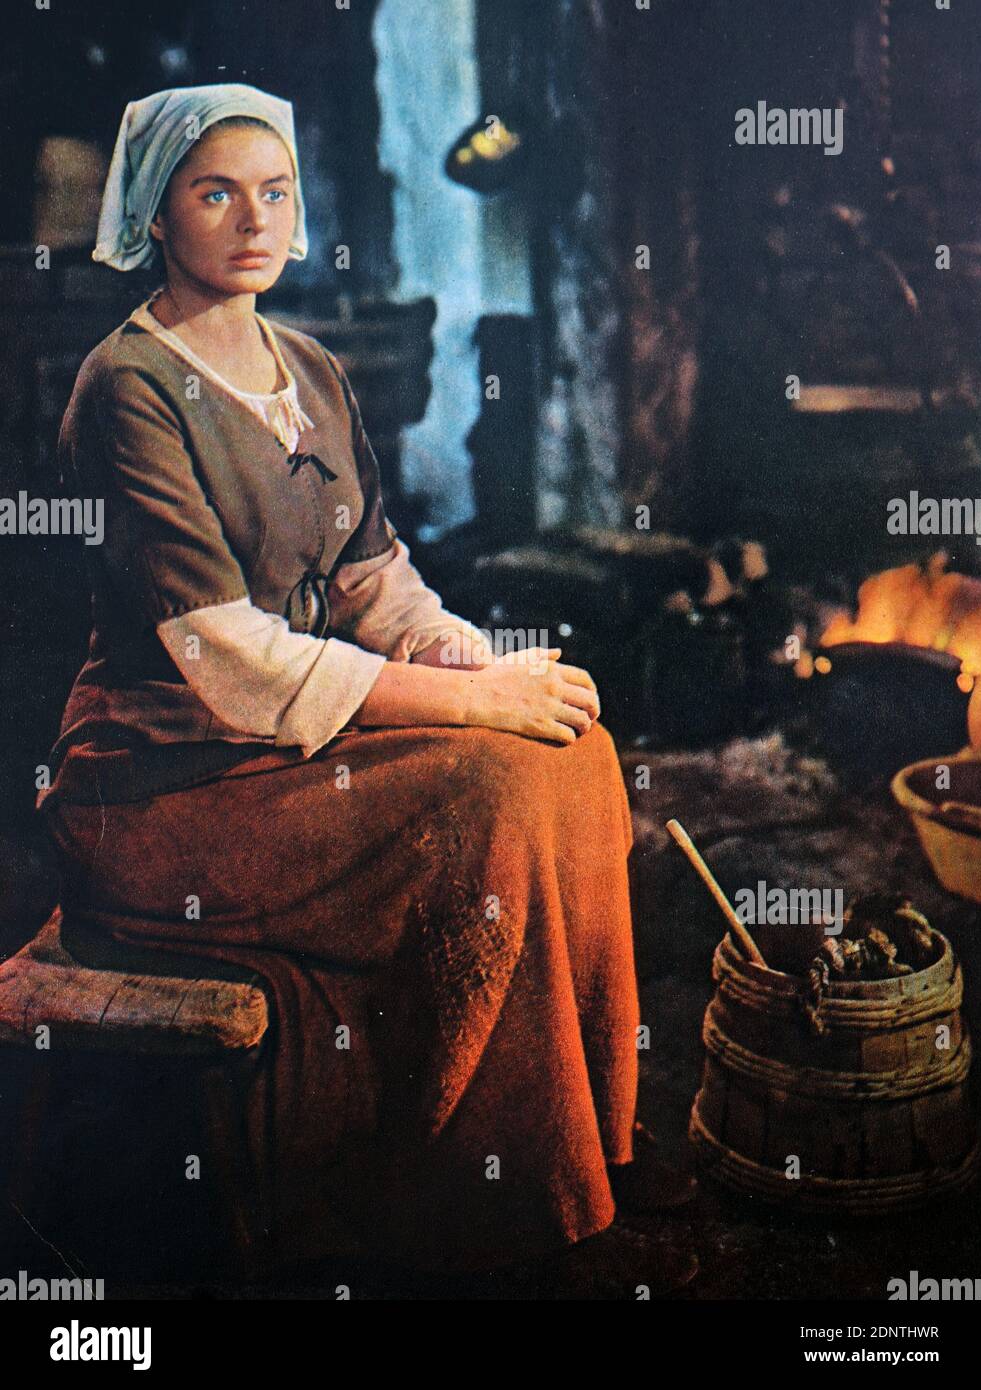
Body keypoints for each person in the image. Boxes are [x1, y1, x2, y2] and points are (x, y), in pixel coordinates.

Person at [36, 82, 698, 1294]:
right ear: (155, 211)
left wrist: (483, 664)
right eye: (215, 192)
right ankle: (460, 1185)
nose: (254, 220)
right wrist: (467, 709)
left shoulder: (309, 367)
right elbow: (229, 654)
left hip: (293, 746)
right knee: (484, 793)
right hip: (167, 780)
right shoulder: (125, 387)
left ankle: (584, 1149)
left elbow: (372, 584)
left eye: (274, 192)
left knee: (576, 752)